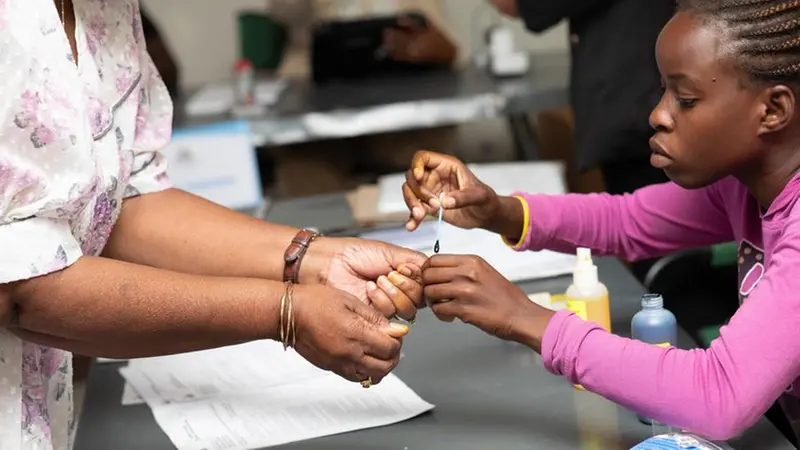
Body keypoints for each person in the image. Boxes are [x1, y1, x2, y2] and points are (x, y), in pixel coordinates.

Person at [0, 2, 425, 449]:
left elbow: (120, 205)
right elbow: (18, 284)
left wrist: (318, 260)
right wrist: (285, 312)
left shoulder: (106, 10)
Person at [395, 0, 800, 442]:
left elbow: (718, 394)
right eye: (663, 91)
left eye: (685, 99)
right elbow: (626, 221)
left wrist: (522, 316)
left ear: (773, 109)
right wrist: (496, 211)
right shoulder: (742, 187)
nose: (658, 114)